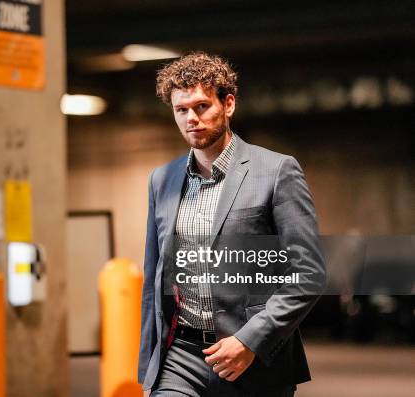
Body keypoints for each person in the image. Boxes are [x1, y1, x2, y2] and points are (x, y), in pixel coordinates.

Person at [138, 52, 326, 396]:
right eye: (181, 110)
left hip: (253, 358)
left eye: (201, 107)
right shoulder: (161, 180)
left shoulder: (277, 171)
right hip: (180, 356)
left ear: (228, 104)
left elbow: (309, 273)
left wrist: (251, 340)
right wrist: (148, 371)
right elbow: (154, 278)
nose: (191, 118)